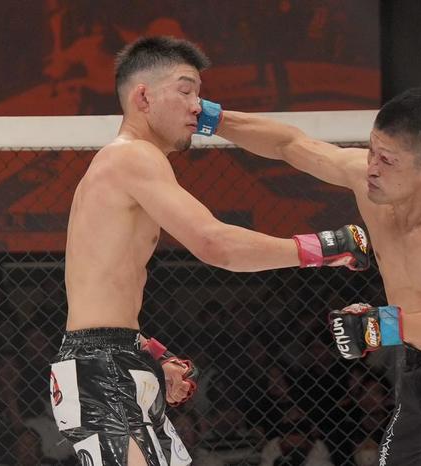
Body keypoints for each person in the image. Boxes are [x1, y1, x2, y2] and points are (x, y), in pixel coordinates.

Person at [49, 35, 369, 466]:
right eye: (185, 91)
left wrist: (151, 352)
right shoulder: (131, 158)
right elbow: (215, 243)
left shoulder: (122, 164)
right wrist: (323, 247)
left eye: (198, 94)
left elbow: (100, 296)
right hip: (102, 370)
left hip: (113, 359)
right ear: (143, 97)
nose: (197, 106)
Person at [216, 87, 421, 465]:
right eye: (372, 151)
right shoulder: (365, 177)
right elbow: (288, 145)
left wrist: (381, 326)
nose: (372, 167)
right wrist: (211, 118)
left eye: (388, 160)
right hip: (419, 372)